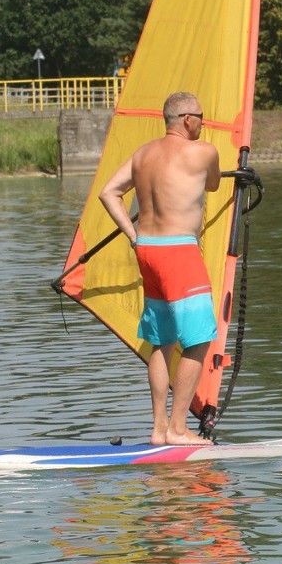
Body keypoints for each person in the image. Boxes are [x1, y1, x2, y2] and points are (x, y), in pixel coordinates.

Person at [98, 91, 220, 446]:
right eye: (201, 115)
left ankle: (158, 429)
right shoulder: (203, 152)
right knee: (198, 340)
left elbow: (109, 193)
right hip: (179, 253)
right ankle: (179, 430)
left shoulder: (143, 154)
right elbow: (212, 183)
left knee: (162, 340)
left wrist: (134, 235)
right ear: (187, 119)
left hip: (147, 250)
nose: (203, 121)